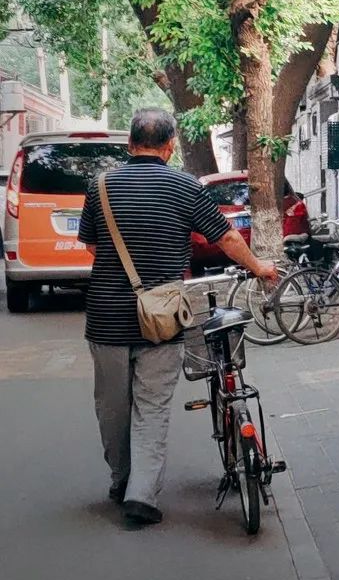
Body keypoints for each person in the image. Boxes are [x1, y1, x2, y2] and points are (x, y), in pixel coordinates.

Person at [78, 108, 279, 527]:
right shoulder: (183, 185)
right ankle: (142, 495)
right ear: (169, 147)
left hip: (107, 317)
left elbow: (94, 249)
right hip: (163, 316)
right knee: (151, 407)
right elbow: (223, 236)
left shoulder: (100, 187)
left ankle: (121, 480)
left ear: (130, 143)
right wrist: (258, 266)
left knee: (112, 408)